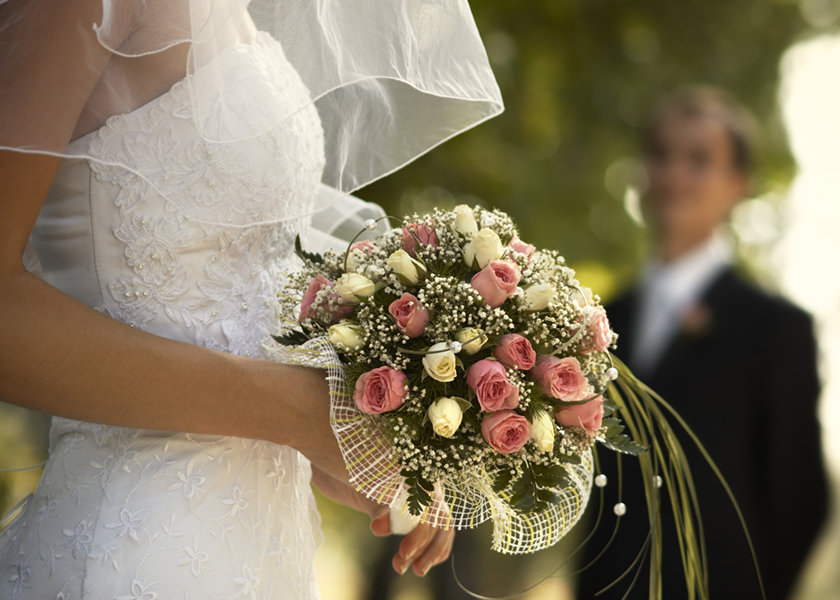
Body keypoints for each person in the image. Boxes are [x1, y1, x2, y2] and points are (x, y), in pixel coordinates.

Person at [0, 1, 503, 597]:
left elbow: (230, 297)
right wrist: (302, 415)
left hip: (262, 546)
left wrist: (348, 437)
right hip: (133, 553)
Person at [576, 86, 829, 599]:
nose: (675, 175)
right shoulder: (595, 323)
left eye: (699, 159)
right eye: (662, 155)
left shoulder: (776, 329)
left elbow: (800, 497)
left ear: (737, 183)